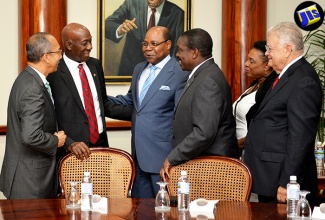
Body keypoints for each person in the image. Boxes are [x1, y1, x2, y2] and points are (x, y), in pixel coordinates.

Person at [244, 22, 322, 205]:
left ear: (287, 49)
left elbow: (300, 138)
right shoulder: (285, 76)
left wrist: (288, 182)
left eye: (270, 48)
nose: (268, 53)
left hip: (283, 181)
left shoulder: (303, 80)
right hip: (269, 176)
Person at [108, 26, 189, 198]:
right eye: (144, 44)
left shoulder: (180, 72)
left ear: (168, 45)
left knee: (165, 210)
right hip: (138, 154)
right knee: (141, 209)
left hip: (163, 155)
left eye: (154, 44)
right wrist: (99, 97)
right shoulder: (139, 69)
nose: (147, 48)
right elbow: (132, 101)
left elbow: (181, 116)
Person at [160, 28, 240, 181]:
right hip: (203, 164)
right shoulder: (203, 74)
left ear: (194, 52)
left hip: (213, 170)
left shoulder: (208, 81)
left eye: (180, 50)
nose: (176, 54)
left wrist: (172, 157)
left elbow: (203, 133)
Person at [47, 23, 132, 161]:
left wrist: (139, 114)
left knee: (103, 183)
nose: (90, 47)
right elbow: (48, 117)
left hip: (100, 145)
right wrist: (69, 143)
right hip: (72, 150)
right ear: (69, 45)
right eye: (85, 43)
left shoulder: (95, 65)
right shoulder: (54, 72)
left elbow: (102, 103)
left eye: (90, 41)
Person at [0, 32, 67, 199]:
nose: (61, 56)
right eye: (58, 51)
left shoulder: (27, 78)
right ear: (46, 57)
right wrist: (55, 141)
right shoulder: (32, 88)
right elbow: (31, 136)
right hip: (30, 181)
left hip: (26, 176)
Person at [105, 0, 184, 76]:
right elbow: (106, 25)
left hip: (163, 73)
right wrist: (120, 29)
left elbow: (178, 49)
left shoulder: (178, 14)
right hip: (130, 71)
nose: (150, 1)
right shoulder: (132, 4)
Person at [233, 41, 277, 152]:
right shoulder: (256, 84)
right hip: (241, 151)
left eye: (251, 61)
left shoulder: (270, 90)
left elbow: (260, 129)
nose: (246, 64)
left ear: (266, 66)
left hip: (252, 151)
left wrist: (235, 145)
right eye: (247, 59)